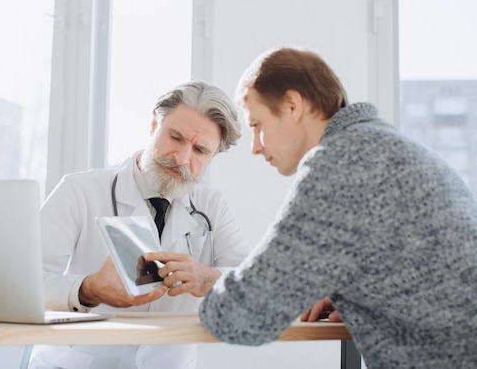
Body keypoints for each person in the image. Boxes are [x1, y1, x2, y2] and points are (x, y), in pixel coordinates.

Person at [199, 47, 477, 368]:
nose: (255, 146)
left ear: (293, 106)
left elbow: (242, 315)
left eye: (257, 125)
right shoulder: (381, 145)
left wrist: (210, 285)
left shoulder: (340, 164)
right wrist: (360, 294)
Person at [29, 81, 251, 369]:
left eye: (199, 150)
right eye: (175, 137)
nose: (183, 158)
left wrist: (207, 277)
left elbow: (252, 283)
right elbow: (24, 282)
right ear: (152, 125)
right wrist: (87, 289)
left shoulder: (212, 207)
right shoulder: (79, 190)